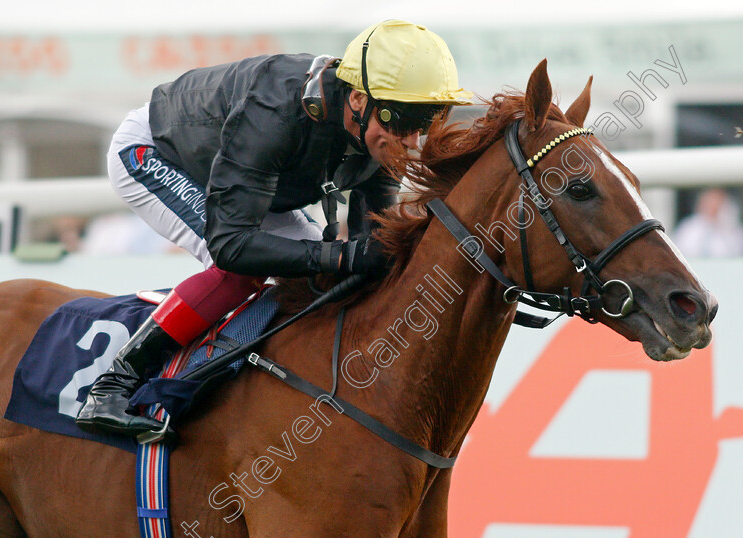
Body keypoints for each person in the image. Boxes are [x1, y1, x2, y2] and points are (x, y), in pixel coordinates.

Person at [75, 20, 473, 438]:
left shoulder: (377, 130)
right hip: (156, 153)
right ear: (358, 98)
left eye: (424, 121)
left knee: (326, 279)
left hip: (242, 180)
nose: (411, 140)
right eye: (402, 119)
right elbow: (232, 245)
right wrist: (341, 255)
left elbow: (369, 245)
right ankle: (112, 388)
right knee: (241, 270)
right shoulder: (276, 111)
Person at [673, 188, 743, 257]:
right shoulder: (687, 227)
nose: (712, 206)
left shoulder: (735, 229)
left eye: (717, 202)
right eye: (709, 201)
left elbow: (737, 253)